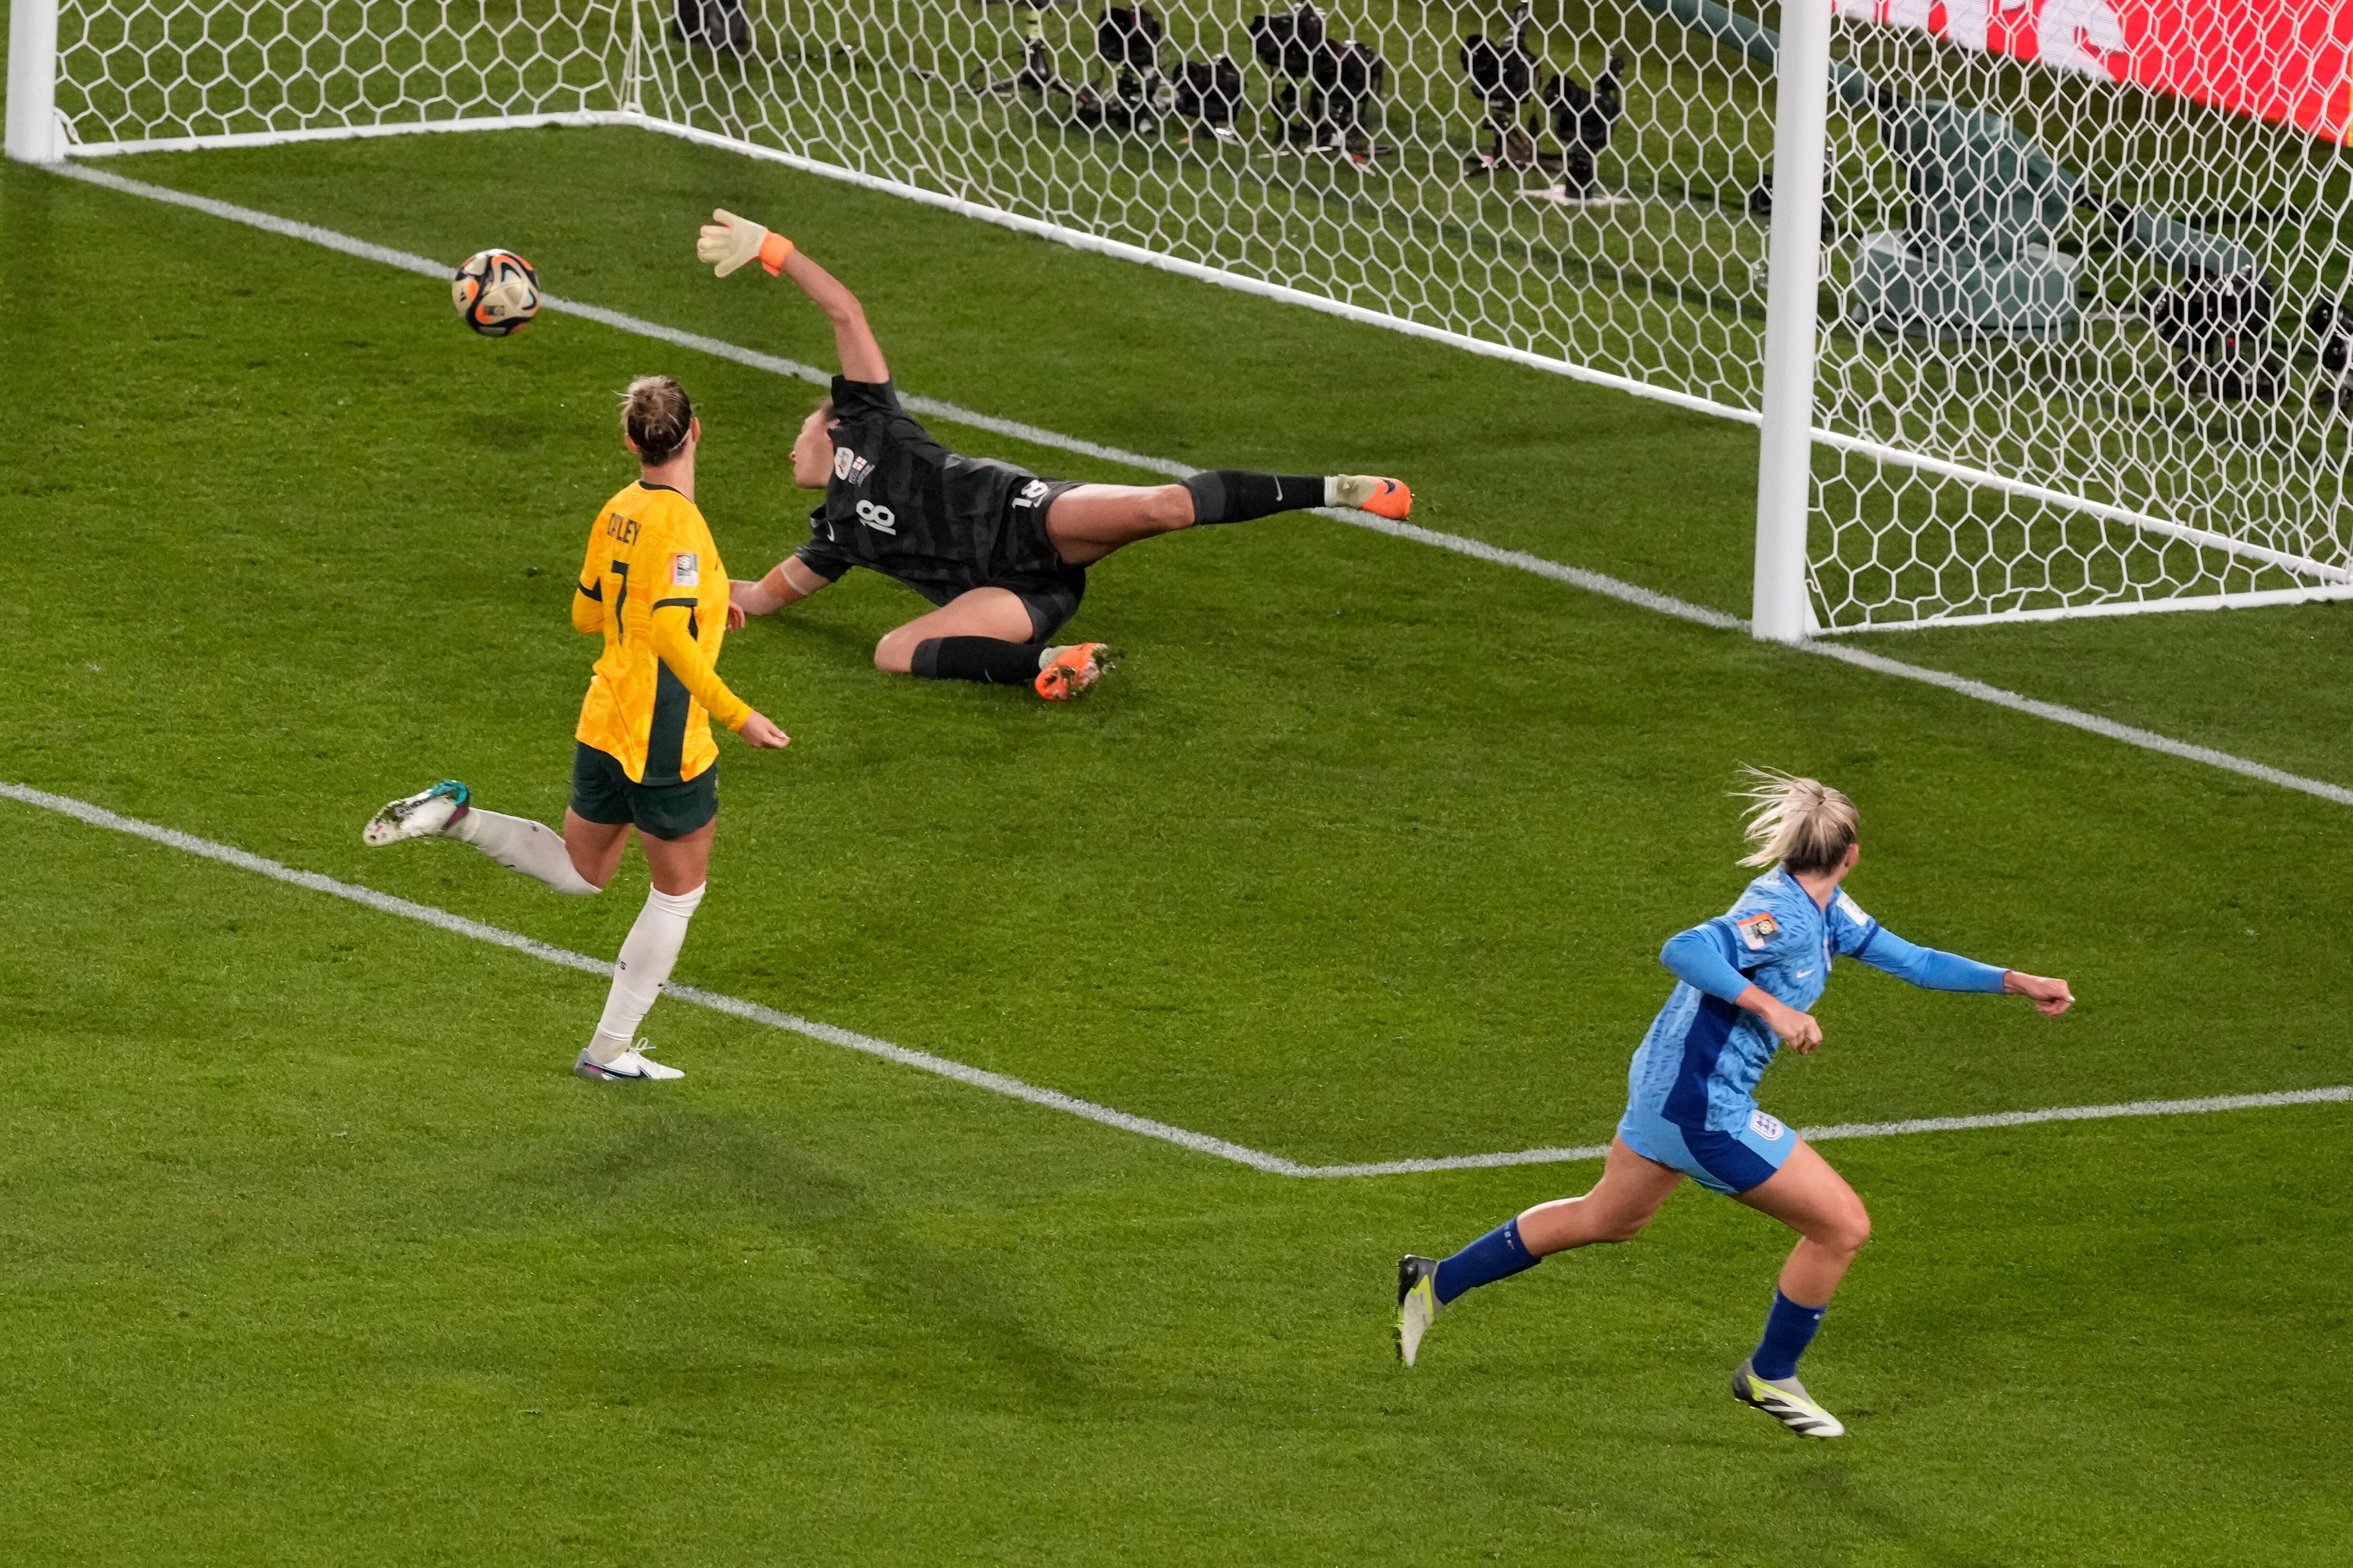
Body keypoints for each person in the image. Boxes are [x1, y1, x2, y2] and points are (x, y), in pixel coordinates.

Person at [1394, 771, 2074, 1438]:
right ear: (1851, 855)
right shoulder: (1776, 914)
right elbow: (1684, 948)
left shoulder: (1824, 909)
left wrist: (2015, 981)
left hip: (1663, 1088)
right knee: (1842, 1227)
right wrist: (1772, 1007)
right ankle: (1770, 1372)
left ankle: (1434, 1281)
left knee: (1607, 1216)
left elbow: (1917, 961)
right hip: (1702, 1108)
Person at [693, 209, 1416, 700]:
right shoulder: (833, 535)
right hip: (1020, 597)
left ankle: (1341, 489)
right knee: (890, 650)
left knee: (1162, 506)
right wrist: (684, 593)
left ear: (830, 423)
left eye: (797, 433)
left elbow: (845, 310)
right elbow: (757, 598)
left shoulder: (872, 416)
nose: (788, 451)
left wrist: (775, 251)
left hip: (1027, 519)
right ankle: (1055, 665)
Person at [362, 376, 792, 1081]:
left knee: (585, 870)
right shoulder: (683, 524)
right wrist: (737, 715)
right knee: (677, 893)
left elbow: (589, 615)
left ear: (631, 442)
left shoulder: (619, 510)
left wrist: (710, 604)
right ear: (697, 431)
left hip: (606, 715)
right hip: (665, 731)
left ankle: (457, 818)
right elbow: (665, 629)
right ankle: (608, 1049)